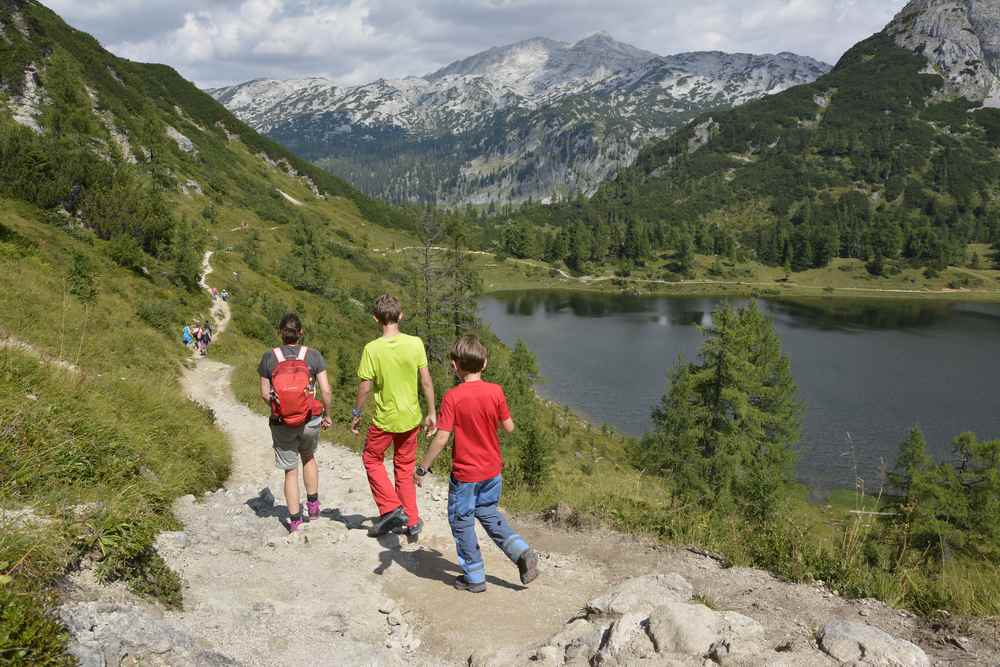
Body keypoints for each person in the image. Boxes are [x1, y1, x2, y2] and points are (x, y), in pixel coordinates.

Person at [416, 334, 539, 593]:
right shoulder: (496, 391)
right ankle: (522, 552)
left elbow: (441, 438)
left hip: (466, 474)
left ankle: (474, 577)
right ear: (484, 365)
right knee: (488, 513)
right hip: (492, 471)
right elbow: (509, 427)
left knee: (462, 521)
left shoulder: (453, 397)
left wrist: (423, 467)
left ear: (454, 365)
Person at [352, 295, 436, 539]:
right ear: (401, 316)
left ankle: (391, 508)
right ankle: (411, 520)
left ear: (375, 318)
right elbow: (426, 381)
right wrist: (432, 412)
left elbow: (365, 387)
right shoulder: (416, 343)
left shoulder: (372, 349)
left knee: (371, 458)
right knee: (404, 466)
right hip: (411, 418)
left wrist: (356, 413)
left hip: (385, 420)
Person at [258, 313, 333, 533]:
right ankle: (313, 506)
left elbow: (264, 394)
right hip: (310, 419)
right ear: (301, 333)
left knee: (290, 470)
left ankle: (295, 521)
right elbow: (326, 390)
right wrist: (327, 415)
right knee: (308, 457)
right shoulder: (313, 356)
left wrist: (281, 409)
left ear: (280, 333)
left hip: (282, 422)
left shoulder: (268, 358)